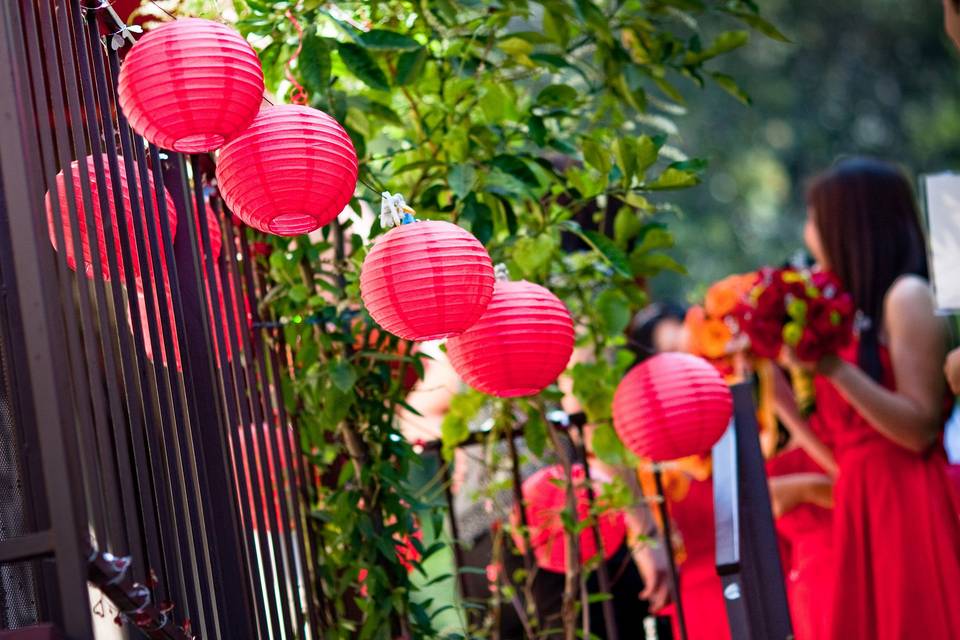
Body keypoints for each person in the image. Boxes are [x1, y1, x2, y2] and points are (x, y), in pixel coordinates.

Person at [778, 157, 960, 639]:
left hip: (906, 500)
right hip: (862, 499)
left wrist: (834, 369)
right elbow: (846, 451)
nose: (809, 232)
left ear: (849, 223)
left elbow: (918, 429)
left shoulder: (907, 296)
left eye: (815, 218)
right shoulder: (854, 309)